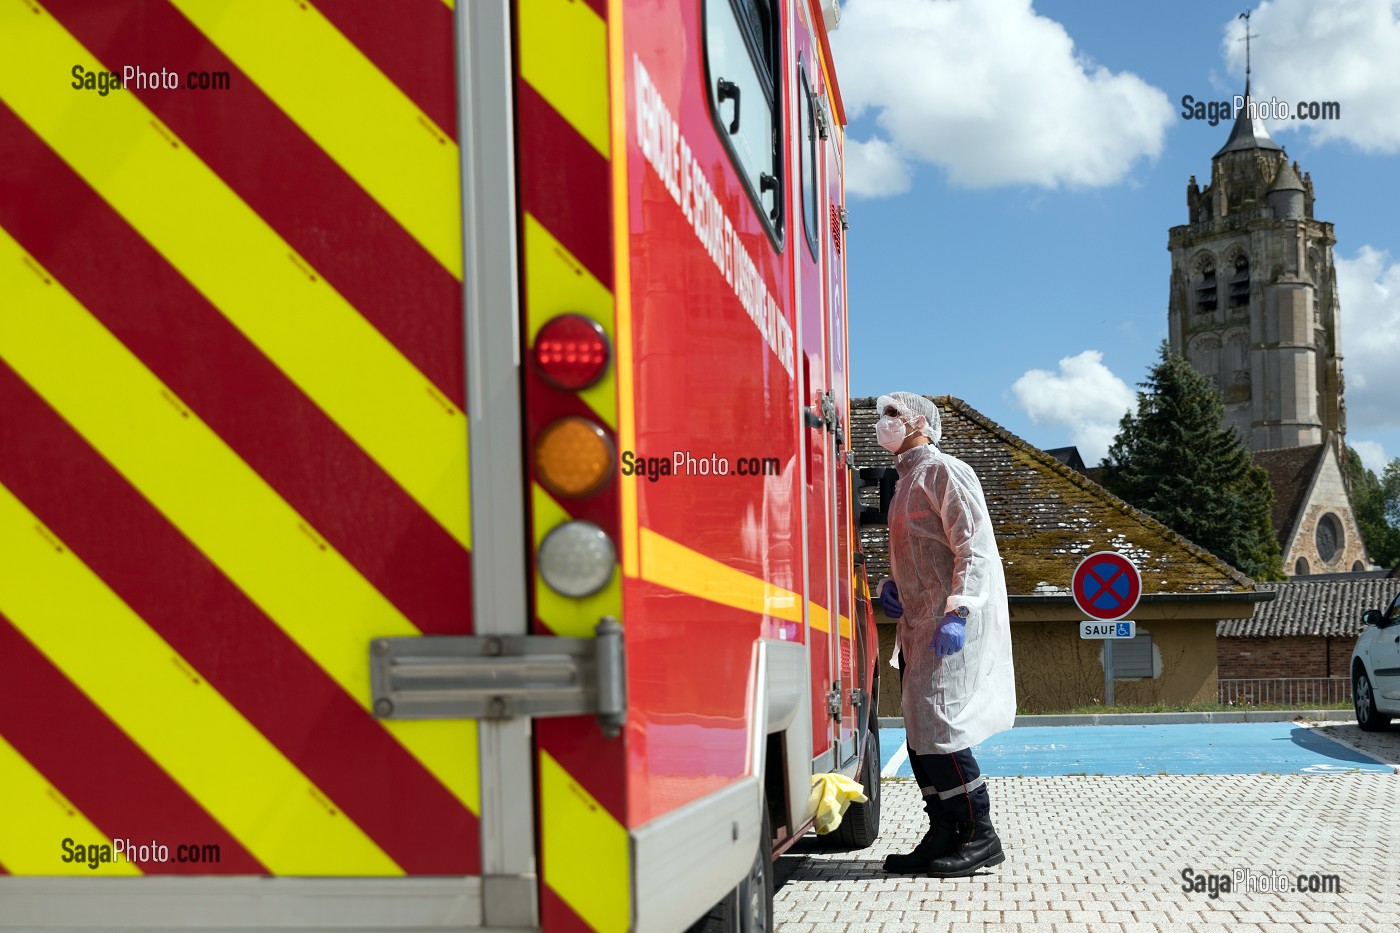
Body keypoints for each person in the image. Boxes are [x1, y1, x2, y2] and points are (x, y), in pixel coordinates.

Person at [873, 392, 1015, 877]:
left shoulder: (946, 471)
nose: (883, 423)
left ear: (920, 422)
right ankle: (943, 829)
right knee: (919, 732)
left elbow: (974, 547)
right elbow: (913, 555)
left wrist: (960, 610)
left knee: (942, 727)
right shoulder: (903, 481)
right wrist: (889, 586)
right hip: (916, 624)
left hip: (948, 623)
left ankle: (980, 833)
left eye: (892, 414)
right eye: (882, 415)